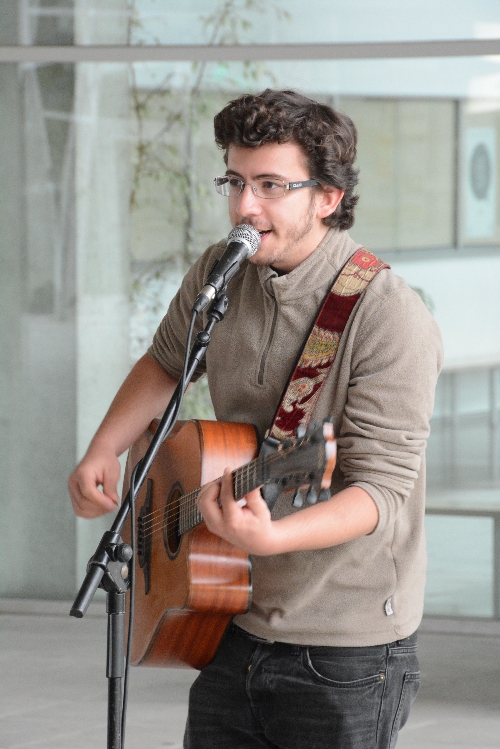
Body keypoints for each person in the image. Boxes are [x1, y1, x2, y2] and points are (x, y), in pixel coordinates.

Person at [69, 89, 443, 748]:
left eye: (270, 185)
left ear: (327, 196)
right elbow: (166, 361)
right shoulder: (223, 272)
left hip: (344, 648)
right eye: (236, 181)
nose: (245, 205)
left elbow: (379, 491)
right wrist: (104, 447)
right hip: (230, 615)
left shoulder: (388, 315)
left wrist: (272, 538)